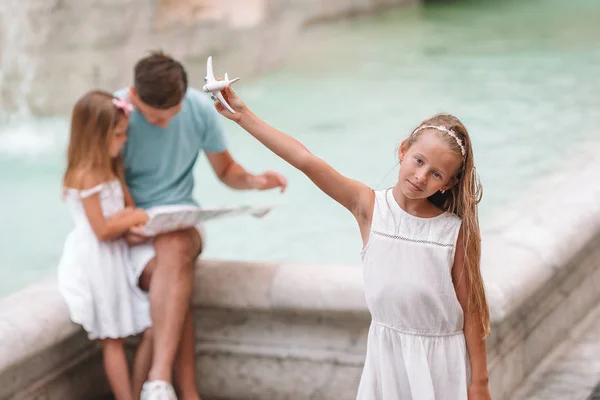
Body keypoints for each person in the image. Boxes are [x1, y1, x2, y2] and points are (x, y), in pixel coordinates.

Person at [214, 86, 492, 400]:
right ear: (402, 150)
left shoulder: (454, 232)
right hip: (387, 357)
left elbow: (472, 310)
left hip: (442, 363)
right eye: (418, 160)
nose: (421, 176)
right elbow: (306, 160)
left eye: (436, 173)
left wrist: (479, 383)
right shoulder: (369, 207)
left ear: (450, 183)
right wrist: (244, 116)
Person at [114, 51, 287, 400]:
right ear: (134, 96)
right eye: (154, 119)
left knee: (174, 249)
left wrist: (254, 181)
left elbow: (226, 172)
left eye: (171, 117)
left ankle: (158, 381)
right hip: (130, 230)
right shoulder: (115, 114)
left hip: (181, 223)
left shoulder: (195, 106)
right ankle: (182, 391)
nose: (164, 125)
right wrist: (124, 222)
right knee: (172, 287)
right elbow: (99, 181)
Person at [58, 90, 154, 400]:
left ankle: (139, 391)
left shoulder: (113, 166)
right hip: (97, 259)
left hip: (118, 255)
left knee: (151, 325)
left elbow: (128, 208)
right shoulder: (85, 175)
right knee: (112, 337)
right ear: (95, 135)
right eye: (118, 134)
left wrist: (129, 220)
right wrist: (130, 217)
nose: (124, 140)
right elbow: (101, 229)